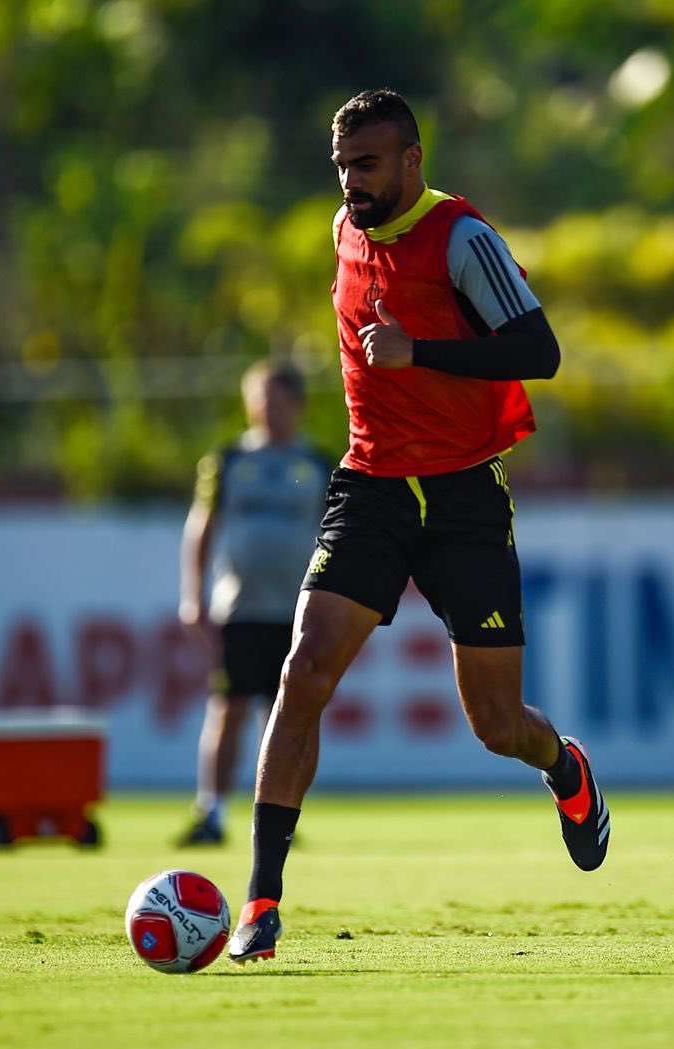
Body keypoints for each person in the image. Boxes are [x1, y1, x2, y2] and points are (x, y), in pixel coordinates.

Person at [227, 88, 610, 964]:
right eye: (342, 168)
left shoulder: (464, 239)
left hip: (467, 498)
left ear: (413, 159)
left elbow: (539, 352)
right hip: (371, 486)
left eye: (367, 165)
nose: (351, 183)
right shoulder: (344, 228)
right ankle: (262, 901)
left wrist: (420, 352)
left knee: (497, 725)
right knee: (304, 668)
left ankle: (564, 767)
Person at [176, 360, 331, 846]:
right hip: (239, 609)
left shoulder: (321, 465)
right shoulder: (226, 461)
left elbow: (340, 535)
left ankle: (280, 819)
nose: (269, 408)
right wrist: (192, 594)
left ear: (298, 405)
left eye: (279, 398)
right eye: (261, 397)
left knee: (289, 715)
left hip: (299, 612)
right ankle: (212, 811)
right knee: (229, 707)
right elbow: (201, 527)